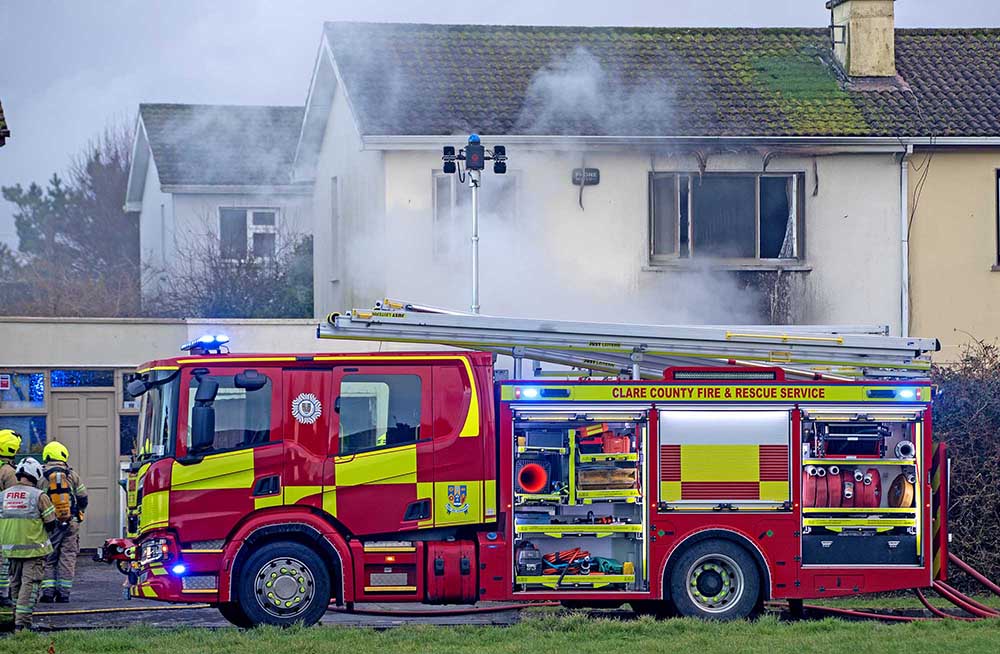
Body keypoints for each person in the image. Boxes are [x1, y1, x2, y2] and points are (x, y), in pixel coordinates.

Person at [0, 457, 56, 631]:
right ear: (36, 474)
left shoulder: (3, 495)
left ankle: (17, 618)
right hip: (34, 550)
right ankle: (23, 625)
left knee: (15, 585)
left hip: (10, 549)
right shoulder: (39, 496)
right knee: (29, 586)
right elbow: (51, 522)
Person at [38, 441, 88, 603]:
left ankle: (48, 593)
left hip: (51, 525)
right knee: (67, 557)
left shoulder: (42, 476)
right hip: (71, 522)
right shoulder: (72, 475)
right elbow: (83, 497)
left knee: (49, 558)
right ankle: (64, 594)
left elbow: (39, 500)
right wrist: (79, 512)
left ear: (46, 456)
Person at [0, 429, 23, 608]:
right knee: (3, 559)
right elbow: (15, 499)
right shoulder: (9, 472)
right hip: (4, 522)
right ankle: (2, 594)